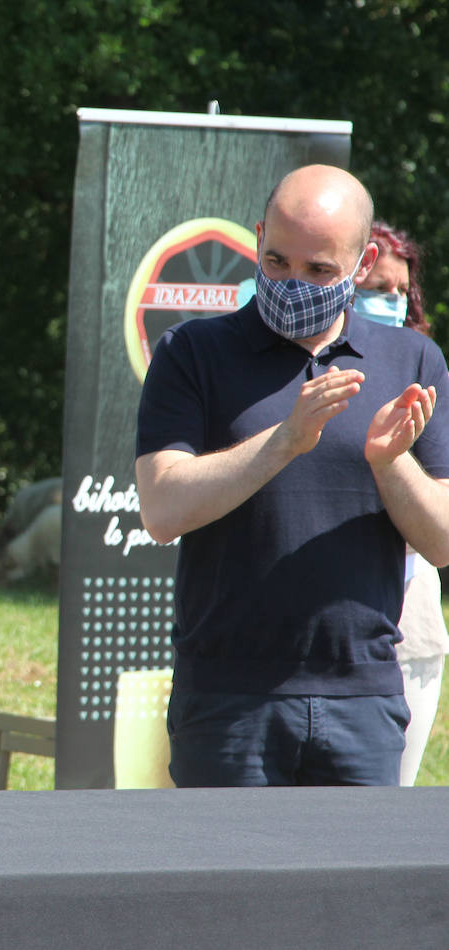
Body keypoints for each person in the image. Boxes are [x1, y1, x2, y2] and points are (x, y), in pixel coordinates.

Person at [135, 164, 449, 787]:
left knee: (357, 859)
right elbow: (162, 510)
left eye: (318, 270)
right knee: (226, 858)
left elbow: (441, 541)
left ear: (362, 265)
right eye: (277, 261)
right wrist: (283, 441)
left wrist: (390, 463)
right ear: (258, 238)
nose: (291, 284)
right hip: (227, 700)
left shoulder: (411, 360)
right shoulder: (192, 352)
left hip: (362, 698)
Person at [355, 220, 449, 785]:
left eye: (398, 292)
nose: (389, 302)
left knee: (390, 799)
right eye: (375, 290)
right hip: (321, 634)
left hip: (407, 624)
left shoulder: (424, 376)